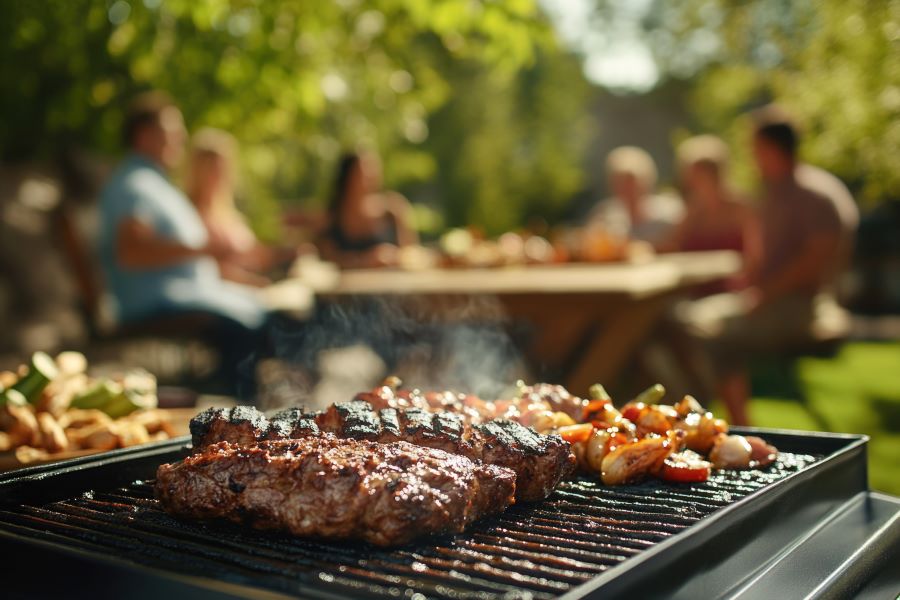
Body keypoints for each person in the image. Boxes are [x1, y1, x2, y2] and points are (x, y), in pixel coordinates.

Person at [681, 105, 859, 425]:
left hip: (803, 306)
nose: (752, 156)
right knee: (684, 320)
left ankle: (733, 426)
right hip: (771, 299)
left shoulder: (816, 193)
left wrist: (764, 294)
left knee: (702, 328)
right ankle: (717, 421)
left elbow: (815, 263)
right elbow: (762, 254)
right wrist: (750, 282)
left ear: (770, 148)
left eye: (754, 148)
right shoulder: (776, 192)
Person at [98, 91, 269, 396]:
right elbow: (130, 252)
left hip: (183, 295)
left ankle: (236, 404)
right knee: (247, 330)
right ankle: (235, 413)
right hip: (154, 303)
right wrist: (202, 249)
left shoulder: (153, 182)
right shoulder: (135, 184)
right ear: (143, 135)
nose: (181, 137)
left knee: (265, 318)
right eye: (171, 131)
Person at [185, 127, 290, 287]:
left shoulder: (229, 215)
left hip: (257, 285)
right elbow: (204, 267)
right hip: (229, 294)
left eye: (222, 167)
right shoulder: (190, 215)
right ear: (197, 171)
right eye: (211, 167)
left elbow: (257, 255)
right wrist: (252, 283)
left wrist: (287, 253)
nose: (218, 174)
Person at [658, 135, 761, 293]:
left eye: (696, 175)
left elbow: (756, 257)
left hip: (732, 290)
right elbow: (672, 244)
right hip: (693, 288)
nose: (690, 181)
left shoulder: (741, 208)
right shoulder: (693, 210)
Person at [319, 152, 418, 268]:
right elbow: (327, 261)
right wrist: (364, 261)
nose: (370, 176)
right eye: (363, 172)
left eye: (374, 169)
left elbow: (411, 255)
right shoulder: (332, 218)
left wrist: (393, 256)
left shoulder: (393, 210)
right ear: (347, 177)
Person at [586, 146, 683, 246]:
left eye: (631, 182)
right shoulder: (604, 215)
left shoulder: (671, 213)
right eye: (620, 182)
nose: (627, 189)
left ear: (647, 182)